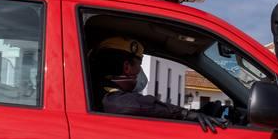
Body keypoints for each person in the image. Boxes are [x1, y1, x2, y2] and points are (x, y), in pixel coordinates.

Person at [90, 37, 227, 132]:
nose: (141, 72)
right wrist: (187, 114)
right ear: (127, 67)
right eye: (140, 65)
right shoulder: (110, 97)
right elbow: (133, 104)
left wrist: (194, 113)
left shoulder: (93, 88)